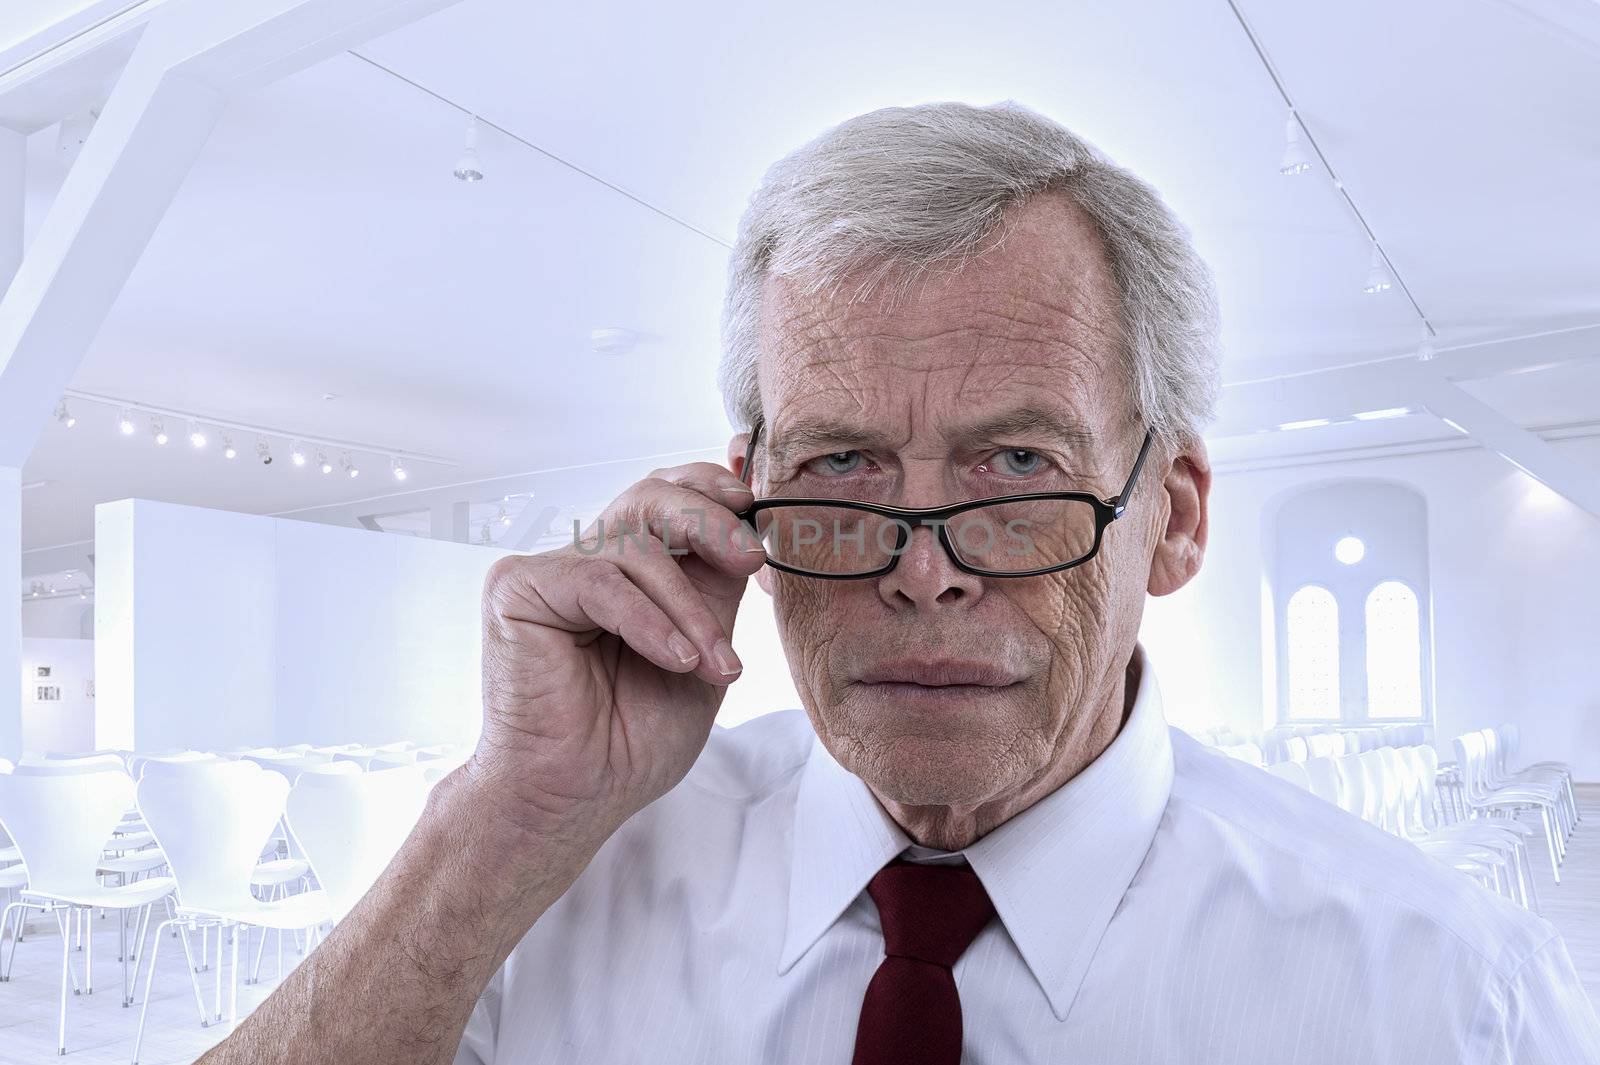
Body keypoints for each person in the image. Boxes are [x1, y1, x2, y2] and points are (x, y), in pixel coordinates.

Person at [199, 101, 1600, 1064]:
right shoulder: (561, 883)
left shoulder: (1438, 996)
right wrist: (502, 819)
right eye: (846, 471)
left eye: (1015, 471)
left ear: (1171, 518)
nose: (924, 574)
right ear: (742, 501)